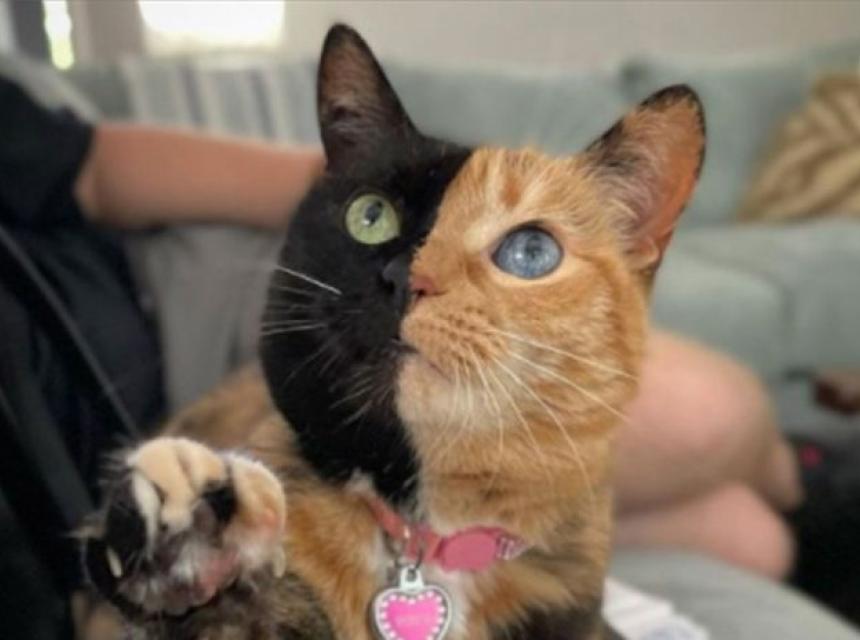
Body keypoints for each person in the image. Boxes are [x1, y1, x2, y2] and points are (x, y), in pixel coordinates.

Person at [0, 75, 828, 635]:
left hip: (183, 284)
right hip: (215, 379)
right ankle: (807, 472)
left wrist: (376, 190)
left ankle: (804, 470)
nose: (433, 276)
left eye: (526, 250)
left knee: (737, 482)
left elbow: (92, 168)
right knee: (738, 501)